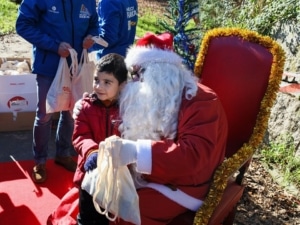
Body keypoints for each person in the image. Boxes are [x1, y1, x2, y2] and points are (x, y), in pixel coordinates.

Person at [82, 35, 228, 224]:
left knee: (130, 215)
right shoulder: (150, 96)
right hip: (147, 175)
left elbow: (193, 156)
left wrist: (136, 151)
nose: (132, 81)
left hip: (182, 185)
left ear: (161, 73)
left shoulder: (202, 101)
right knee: (96, 192)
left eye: (138, 73)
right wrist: (86, 104)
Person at [15, 0, 99, 183]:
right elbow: (22, 25)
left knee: (71, 112)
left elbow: (94, 24)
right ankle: (40, 161)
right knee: (44, 114)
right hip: (49, 65)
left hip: (76, 66)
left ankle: (63, 154)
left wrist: (91, 38)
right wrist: (54, 46)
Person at [72, 53, 128, 225]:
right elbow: (80, 135)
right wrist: (92, 152)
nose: (99, 86)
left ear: (121, 85)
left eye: (107, 82)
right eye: (96, 80)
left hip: (116, 174)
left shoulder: (127, 109)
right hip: (90, 172)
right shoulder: (85, 107)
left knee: (111, 216)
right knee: (88, 215)